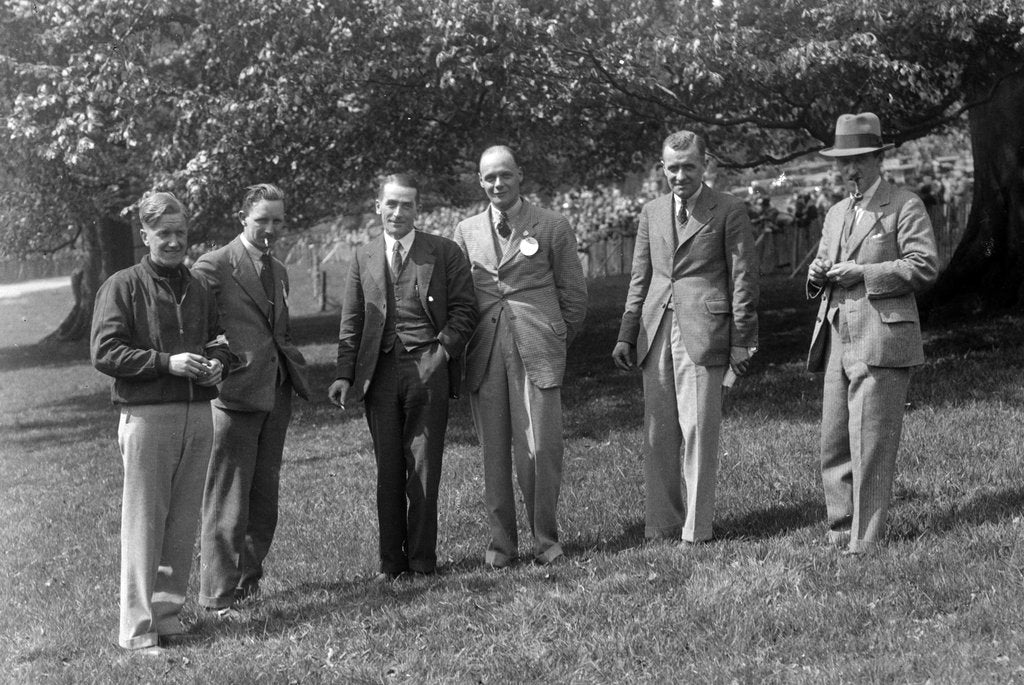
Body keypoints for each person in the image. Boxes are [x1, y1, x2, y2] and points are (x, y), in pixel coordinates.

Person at [91, 192, 233, 655]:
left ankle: (167, 616)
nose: (173, 242)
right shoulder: (122, 285)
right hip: (149, 415)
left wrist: (218, 365)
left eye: (180, 234)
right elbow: (106, 352)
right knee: (145, 521)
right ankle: (136, 630)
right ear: (145, 235)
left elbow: (219, 341)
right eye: (163, 233)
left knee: (182, 519)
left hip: (198, 414)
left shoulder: (197, 285)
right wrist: (165, 363)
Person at [612, 130, 759, 546]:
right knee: (658, 431)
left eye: (689, 167)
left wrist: (742, 339)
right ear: (663, 168)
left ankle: (697, 528)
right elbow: (641, 277)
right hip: (653, 329)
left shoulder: (728, 209)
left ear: (705, 164)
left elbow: (744, 278)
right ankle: (661, 524)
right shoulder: (651, 212)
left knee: (698, 430)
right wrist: (626, 334)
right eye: (672, 168)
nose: (680, 176)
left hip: (704, 329)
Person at [327, 174, 477, 580]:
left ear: (417, 209)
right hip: (379, 373)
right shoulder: (363, 256)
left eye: (406, 204)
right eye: (390, 204)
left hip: (427, 369)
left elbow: (466, 310)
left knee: (424, 467)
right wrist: (345, 373)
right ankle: (391, 564)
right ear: (378, 206)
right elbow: (352, 321)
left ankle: (423, 561)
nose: (398, 212)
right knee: (388, 468)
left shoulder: (442, 252)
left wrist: (442, 351)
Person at [807, 112, 938, 555]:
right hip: (836, 335)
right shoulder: (836, 212)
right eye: (843, 161)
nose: (850, 169)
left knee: (872, 442)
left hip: (882, 336)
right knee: (834, 436)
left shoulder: (904, 204)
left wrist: (863, 273)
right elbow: (823, 267)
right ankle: (840, 526)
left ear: (879, 158)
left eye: (859, 159)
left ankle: (866, 538)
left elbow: (923, 265)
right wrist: (818, 272)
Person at [452, 145, 588, 568]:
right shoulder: (466, 230)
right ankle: (501, 545)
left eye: (505, 175)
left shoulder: (551, 225)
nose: (497, 184)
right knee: (494, 451)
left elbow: (575, 297)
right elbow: (461, 299)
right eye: (489, 177)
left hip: (537, 348)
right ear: (480, 181)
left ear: (520, 176)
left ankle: (545, 539)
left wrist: (554, 334)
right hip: (485, 350)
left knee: (540, 449)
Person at [192, 183, 311, 612]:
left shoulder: (278, 269)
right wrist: (215, 362)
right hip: (233, 396)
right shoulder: (214, 265)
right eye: (262, 220)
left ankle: (248, 581)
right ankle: (217, 595)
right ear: (243, 217)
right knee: (227, 498)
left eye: (277, 220)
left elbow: (279, 329)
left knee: (264, 497)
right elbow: (194, 325)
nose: (270, 228)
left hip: (276, 392)